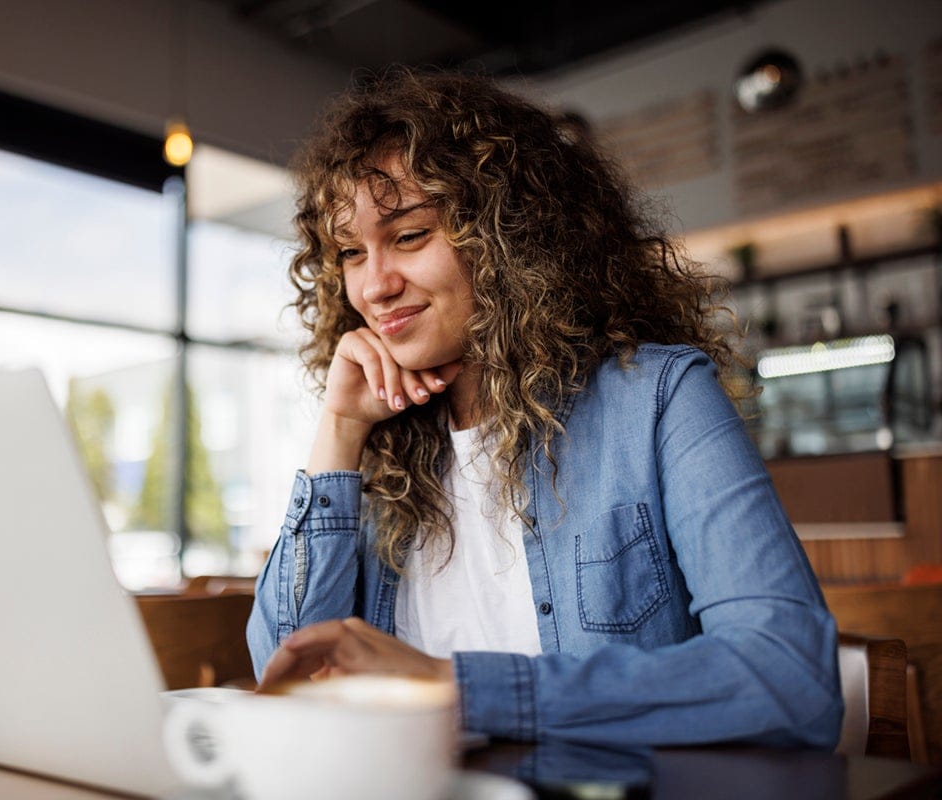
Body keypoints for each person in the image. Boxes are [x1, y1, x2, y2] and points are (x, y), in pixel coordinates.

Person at [245, 68, 842, 748]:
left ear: (511, 238)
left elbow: (790, 675)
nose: (375, 285)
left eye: (409, 236)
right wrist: (341, 431)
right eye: (351, 252)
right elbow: (284, 673)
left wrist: (459, 691)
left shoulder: (658, 400)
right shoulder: (382, 445)